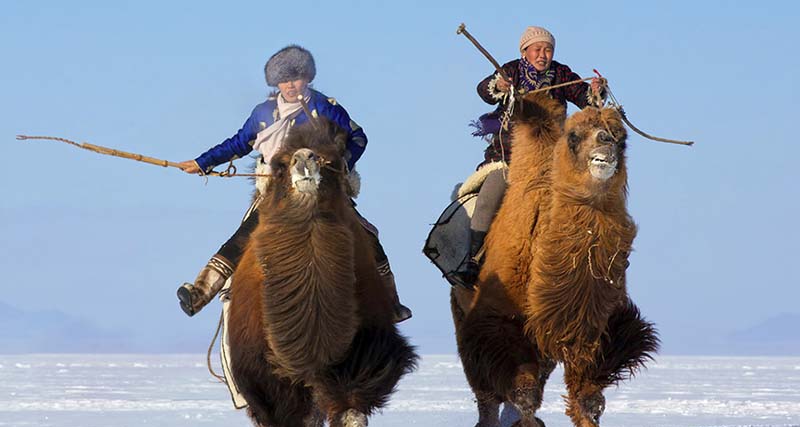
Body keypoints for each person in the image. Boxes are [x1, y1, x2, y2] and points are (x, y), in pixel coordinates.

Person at [176, 45, 412, 322]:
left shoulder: (325, 107)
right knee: (243, 237)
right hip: (278, 190)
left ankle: (390, 303)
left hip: (322, 188)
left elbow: (358, 138)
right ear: (276, 82)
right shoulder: (262, 114)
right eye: (284, 79)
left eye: (296, 78)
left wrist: (340, 162)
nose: (290, 85)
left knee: (368, 236)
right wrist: (203, 162)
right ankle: (200, 293)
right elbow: (239, 144)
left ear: (307, 79)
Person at [450, 26, 604, 289]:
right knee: (488, 198)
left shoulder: (562, 73)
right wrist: (498, 85)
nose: (543, 55)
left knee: (587, 197)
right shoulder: (510, 71)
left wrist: (596, 90)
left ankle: (596, 258)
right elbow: (484, 91)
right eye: (537, 49)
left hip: (552, 160)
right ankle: (473, 261)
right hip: (509, 157)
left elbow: (584, 97)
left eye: (548, 49)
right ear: (525, 51)